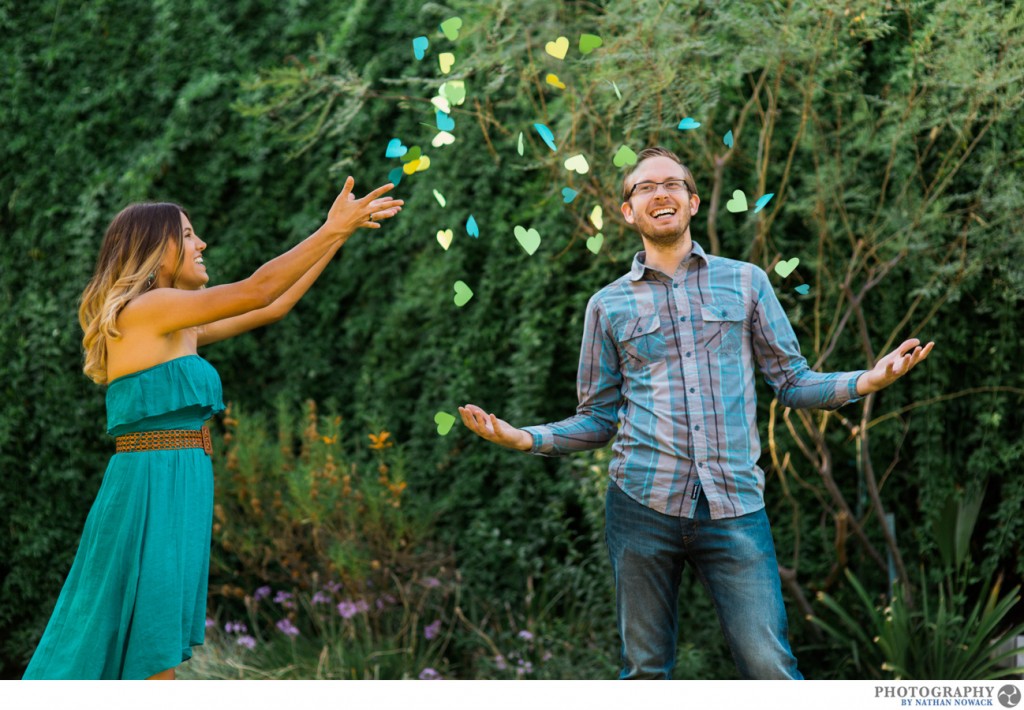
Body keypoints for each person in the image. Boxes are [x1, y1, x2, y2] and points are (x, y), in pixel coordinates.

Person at [459, 146, 934, 680]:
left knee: (769, 666)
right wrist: (526, 438)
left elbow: (793, 382)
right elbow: (597, 417)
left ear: (691, 201)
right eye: (644, 187)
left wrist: (869, 379)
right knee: (644, 672)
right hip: (640, 505)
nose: (659, 193)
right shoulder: (607, 305)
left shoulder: (747, 281)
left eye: (671, 184)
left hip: (735, 504)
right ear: (627, 212)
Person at [23, 176, 402, 680]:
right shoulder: (149, 310)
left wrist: (338, 236)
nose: (201, 244)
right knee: (144, 640)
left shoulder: (179, 324)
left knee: (154, 642)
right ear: (155, 251)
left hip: (179, 479)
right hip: (150, 485)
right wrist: (330, 227)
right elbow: (256, 289)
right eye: (187, 235)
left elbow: (274, 305)